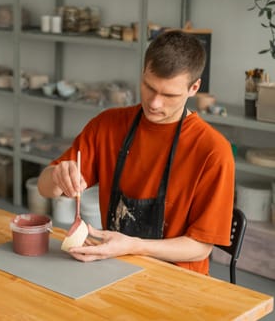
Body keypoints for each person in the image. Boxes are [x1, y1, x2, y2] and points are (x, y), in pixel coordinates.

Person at [37, 30, 234, 275]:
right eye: (149, 87)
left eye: (169, 95)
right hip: (113, 266)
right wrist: (57, 175)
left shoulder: (212, 151)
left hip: (178, 281)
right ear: (142, 73)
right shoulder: (108, 125)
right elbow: (45, 188)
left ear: (194, 88)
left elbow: (201, 247)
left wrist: (134, 247)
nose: (154, 103)